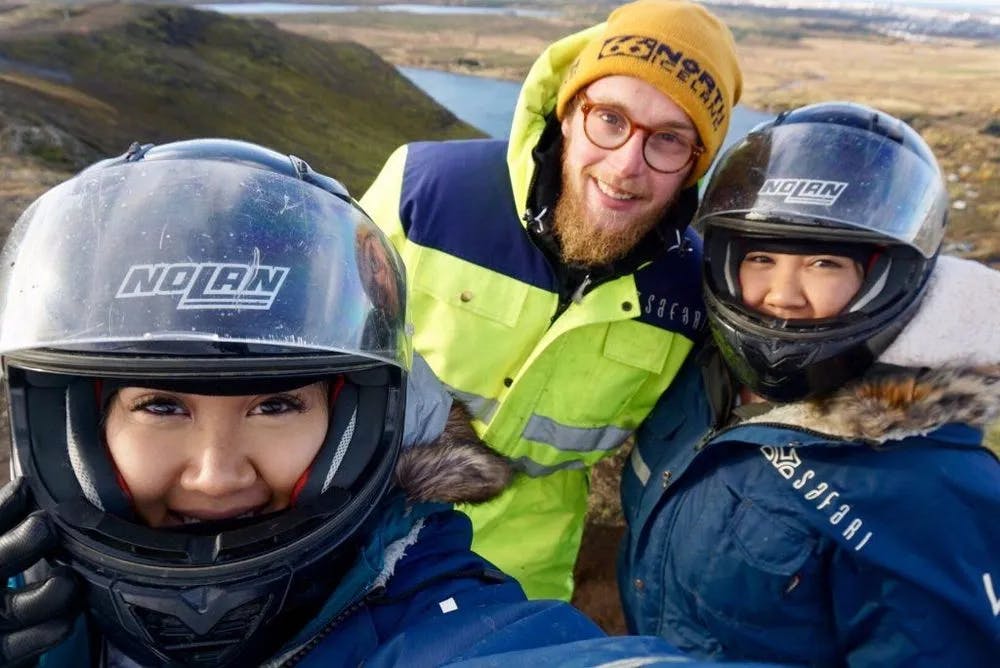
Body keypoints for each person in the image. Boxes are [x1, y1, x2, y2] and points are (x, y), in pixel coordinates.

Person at [0, 139, 711, 667]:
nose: (217, 475)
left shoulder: (437, 620)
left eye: (276, 406)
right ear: (76, 429)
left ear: (358, 421)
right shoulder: (26, 603)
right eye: (161, 407)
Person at [360, 0, 744, 600]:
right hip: (349, 538)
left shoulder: (691, 292)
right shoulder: (426, 193)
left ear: (694, 166)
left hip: (514, 584)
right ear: (568, 112)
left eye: (668, 141)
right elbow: (318, 344)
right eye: (610, 120)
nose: (625, 167)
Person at [619, 101, 1000, 665]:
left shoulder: (931, 488)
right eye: (762, 258)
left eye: (824, 263)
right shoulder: (697, 377)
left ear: (884, 277)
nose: (783, 295)